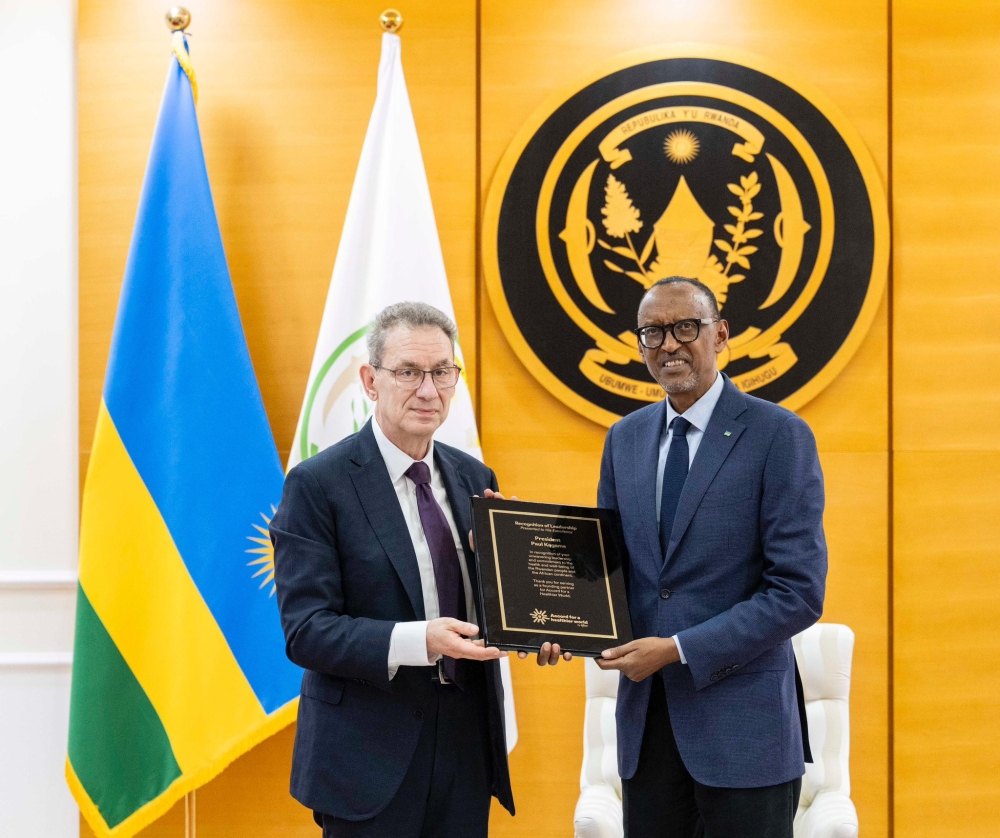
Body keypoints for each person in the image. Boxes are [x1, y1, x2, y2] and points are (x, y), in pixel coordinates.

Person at [270, 301, 564, 838]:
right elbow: (307, 632)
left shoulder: (475, 475)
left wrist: (531, 614)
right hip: (367, 753)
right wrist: (421, 640)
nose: (428, 390)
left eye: (443, 372)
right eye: (408, 372)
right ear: (371, 380)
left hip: (465, 742)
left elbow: (492, 608)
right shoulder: (318, 485)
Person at [594, 277, 827, 838]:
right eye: (653, 332)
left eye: (685, 328)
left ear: (720, 334)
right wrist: (551, 615)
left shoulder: (779, 436)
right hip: (647, 733)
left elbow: (797, 593)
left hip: (745, 735)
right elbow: (606, 573)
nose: (669, 344)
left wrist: (677, 650)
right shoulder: (623, 439)